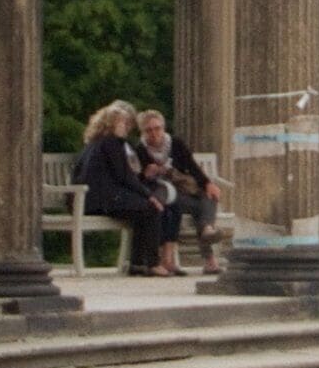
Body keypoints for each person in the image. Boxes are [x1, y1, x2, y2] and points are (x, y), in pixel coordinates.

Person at [72, 102, 169, 277]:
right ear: (111, 124)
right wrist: (149, 195)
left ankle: (138, 264)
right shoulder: (112, 143)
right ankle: (151, 263)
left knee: (142, 208)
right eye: (123, 123)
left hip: (88, 200)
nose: (126, 127)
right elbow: (125, 176)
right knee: (151, 208)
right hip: (103, 201)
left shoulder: (94, 143)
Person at [139, 107, 220, 279]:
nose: (154, 133)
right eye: (149, 130)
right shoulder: (140, 149)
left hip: (183, 190)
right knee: (193, 209)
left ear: (163, 128)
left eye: (157, 128)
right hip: (163, 195)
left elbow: (192, 166)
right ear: (143, 132)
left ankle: (207, 229)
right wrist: (146, 174)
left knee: (208, 196)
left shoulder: (175, 143)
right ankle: (210, 258)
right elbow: (137, 179)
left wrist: (207, 183)